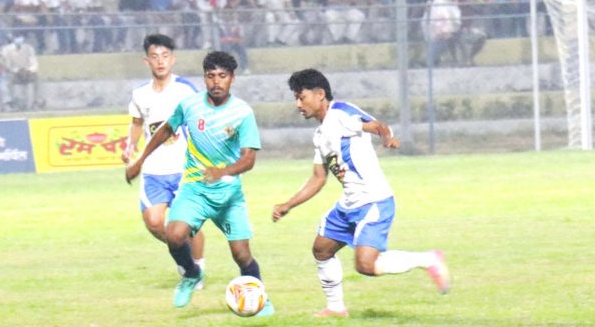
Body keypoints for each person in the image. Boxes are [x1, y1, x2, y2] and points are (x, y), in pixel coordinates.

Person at [272, 69, 450, 318]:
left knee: (366, 265)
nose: (298, 104)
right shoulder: (320, 135)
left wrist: (387, 138)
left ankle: (429, 259)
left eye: (301, 97)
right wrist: (288, 205)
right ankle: (336, 308)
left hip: (373, 201)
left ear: (320, 94)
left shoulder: (341, 113)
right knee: (322, 249)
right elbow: (318, 178)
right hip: (348, 204)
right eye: (296, 99)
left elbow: (376, 126)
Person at [125, 51, 273, 315]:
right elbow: (166, 129)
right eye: (211, 76)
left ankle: (260, 298)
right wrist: (140, 160)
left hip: (228, 196)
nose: (216, 81)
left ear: (232, 78)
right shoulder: (190, 105)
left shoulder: (242, 112)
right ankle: (191, 273)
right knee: (174, 234)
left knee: (241, 255)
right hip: (194, 190)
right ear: (204, 78)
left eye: (222, 76)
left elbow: (249, 159)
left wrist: (222, 171)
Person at [122, 34, 206, 289]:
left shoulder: (185, 90)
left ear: (173, 59)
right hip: (153, 171)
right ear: (147, 61)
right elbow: (137, 123)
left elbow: (200, 120)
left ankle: (197, 269)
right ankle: (186, 259)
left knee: (189, 225)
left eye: (165, 56)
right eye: (155, 57)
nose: (160, 61)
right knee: (154, 222)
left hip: (184, 170)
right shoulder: (140, 94)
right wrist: (130, 148)